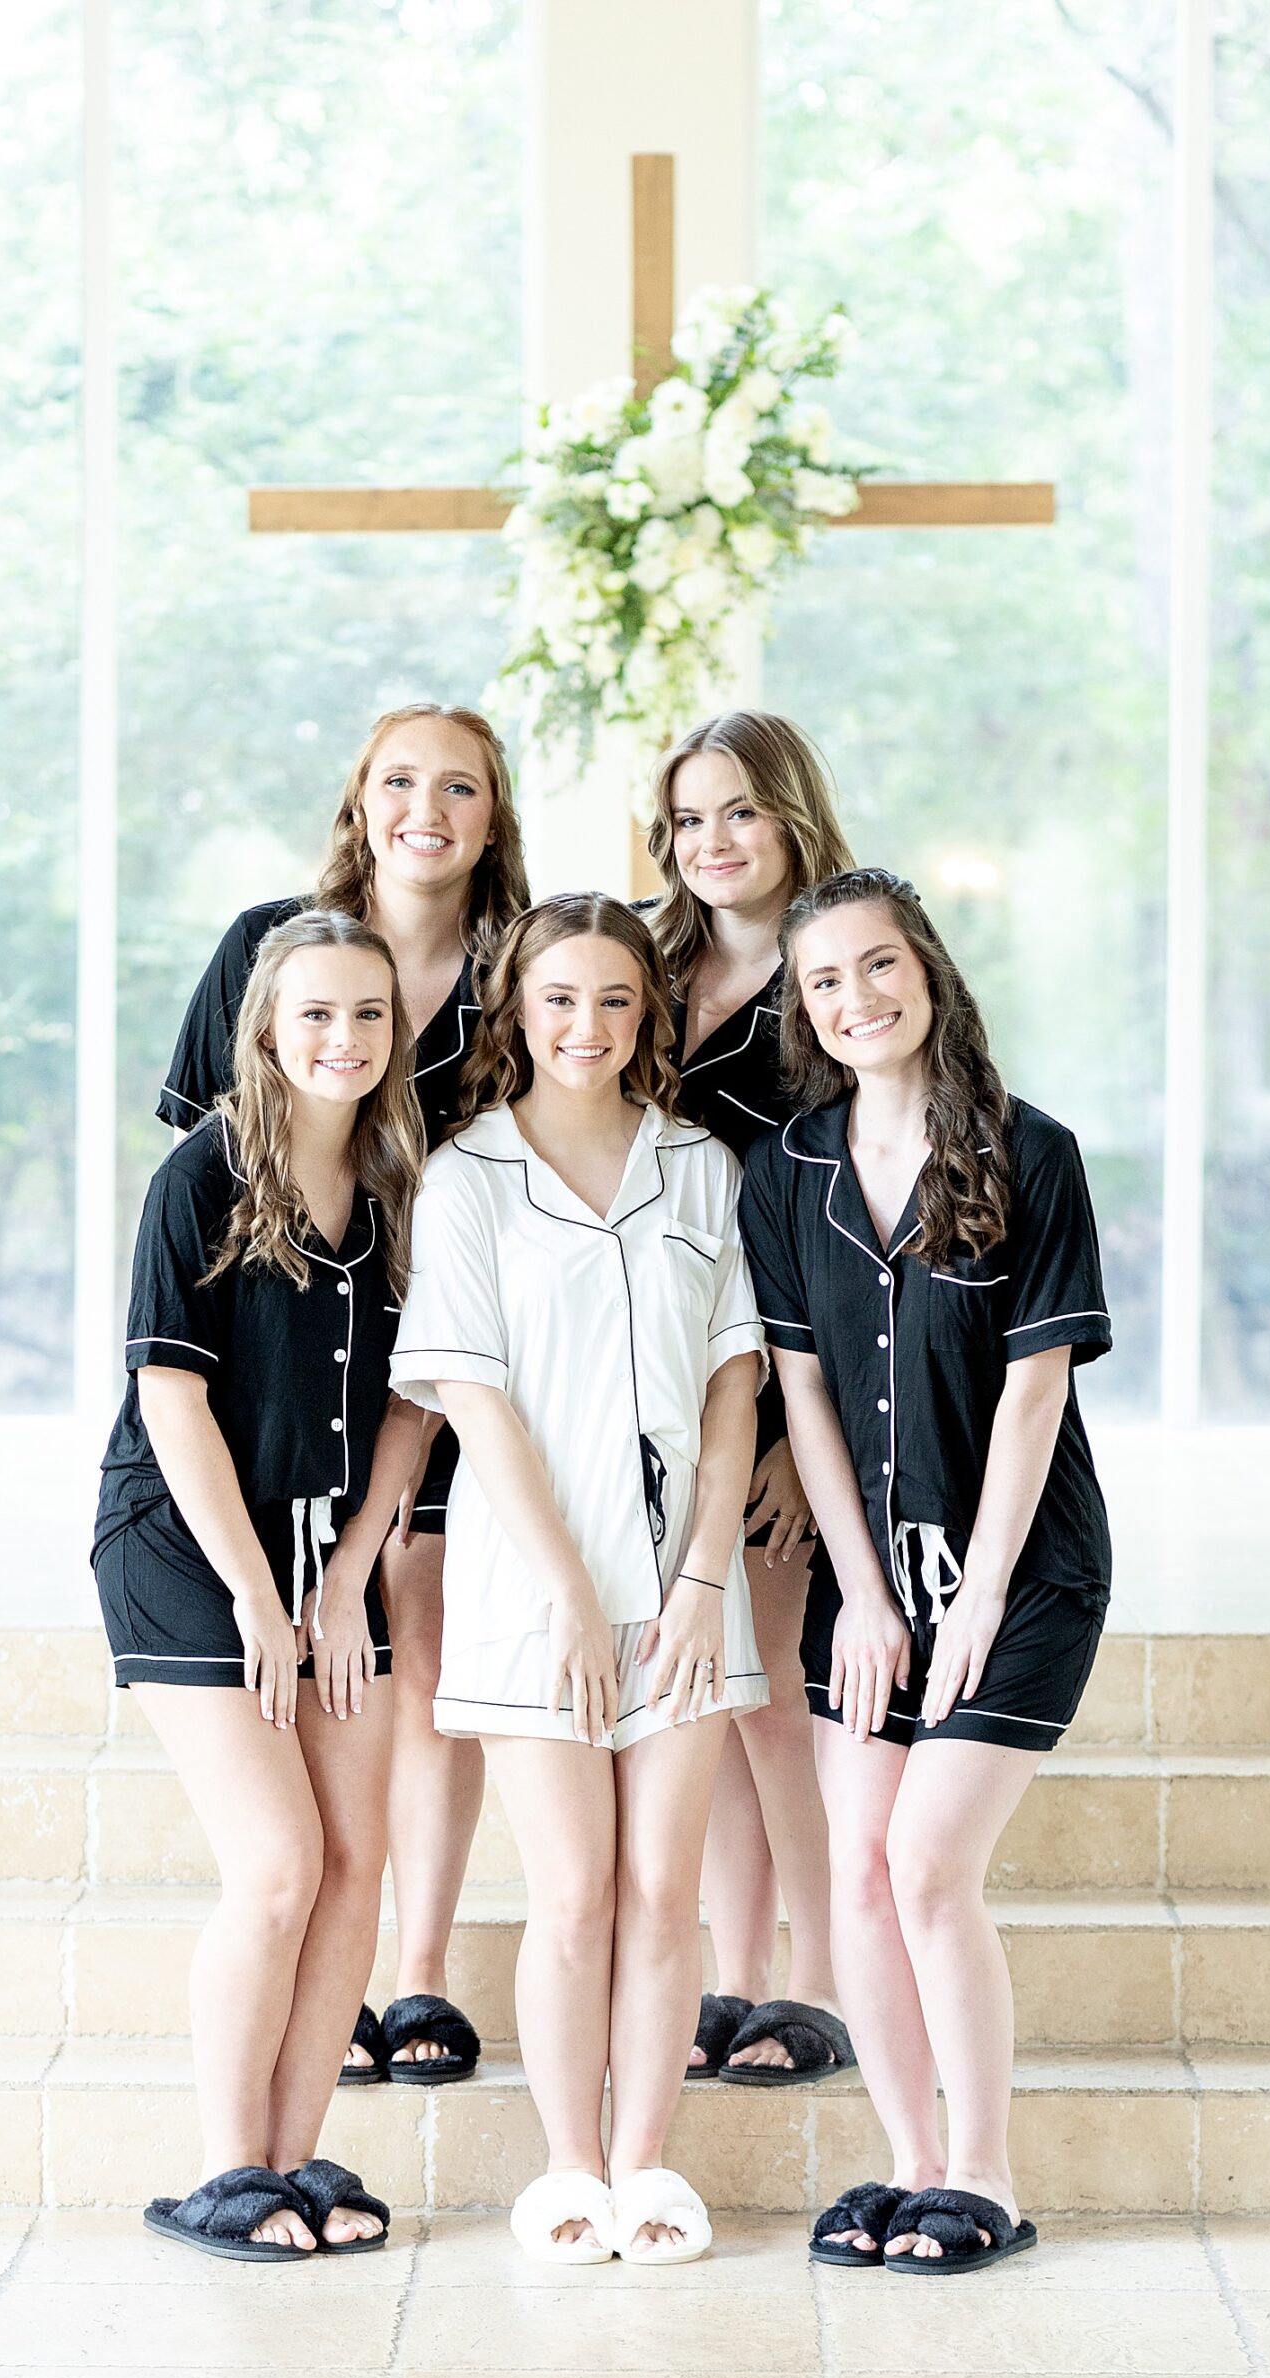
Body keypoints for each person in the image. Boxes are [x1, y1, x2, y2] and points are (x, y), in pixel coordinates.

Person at [739, 868, 1112, 2275]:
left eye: (878, 968)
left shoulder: (1033, 1153)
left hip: (1022, 1576)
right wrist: (869, 1595)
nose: (855, 1000)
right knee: (854, 1881)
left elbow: (1034, 1401)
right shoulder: (790, 1172)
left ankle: (988, 2177)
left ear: (930, 973)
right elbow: (808, 1397)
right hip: (869, 1584)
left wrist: (974, 1601)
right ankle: (906, 2171)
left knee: (924, 1865)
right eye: (825, 982)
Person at [389, 895, 768, 2264]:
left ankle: (649, 2166)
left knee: (669, 1896)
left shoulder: (704, 1170)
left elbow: (734, 1389)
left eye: (615, 999)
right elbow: (473, 1401)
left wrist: (706, 1581)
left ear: (647, 1016)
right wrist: (563, 1592)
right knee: (575, 1896)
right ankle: (566, 2171)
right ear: (517, 1012)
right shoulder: (469, 1178)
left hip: (681, 1602)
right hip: (529, 1598)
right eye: (559, 999)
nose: (587, 1025)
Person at [160, 703, 531, 2085]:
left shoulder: (517, 978)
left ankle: (416, 1975)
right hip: (291, 1380)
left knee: (426, 1668)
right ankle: (325, 1978)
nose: (426, 809)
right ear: (358, 799)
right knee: (352, 1658)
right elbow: (212, 1172)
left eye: (461, 788)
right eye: (398, 782)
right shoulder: (275, 948)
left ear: (494, 816)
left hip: (445, 1365)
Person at [93, 912, 427, 2261]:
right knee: (281, 1863)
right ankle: (224, 2168)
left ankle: (290, 2166)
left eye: (367, 1014)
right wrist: (253, 1594)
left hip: (331, 1561)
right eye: (314, 1017)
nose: (341, 1040)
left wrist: (345, 1583)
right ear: (267, 1033)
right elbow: (170, 1399)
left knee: (358, 1867)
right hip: (192, 1552)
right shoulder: (204, 1173)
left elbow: (418, 1402)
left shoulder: (410, 1185)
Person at [643, 711, 854, 2089]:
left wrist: (791, 1433)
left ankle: (821, 1983)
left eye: (739, 812)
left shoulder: (838, 967)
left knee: (774, 1695)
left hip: (783, 1383)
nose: (713, 842)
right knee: (709, 1695)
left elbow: (848, 1212)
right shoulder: (647, 969)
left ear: (790, 815)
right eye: (689, 819)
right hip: (664, 1374)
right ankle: (735, 1975)